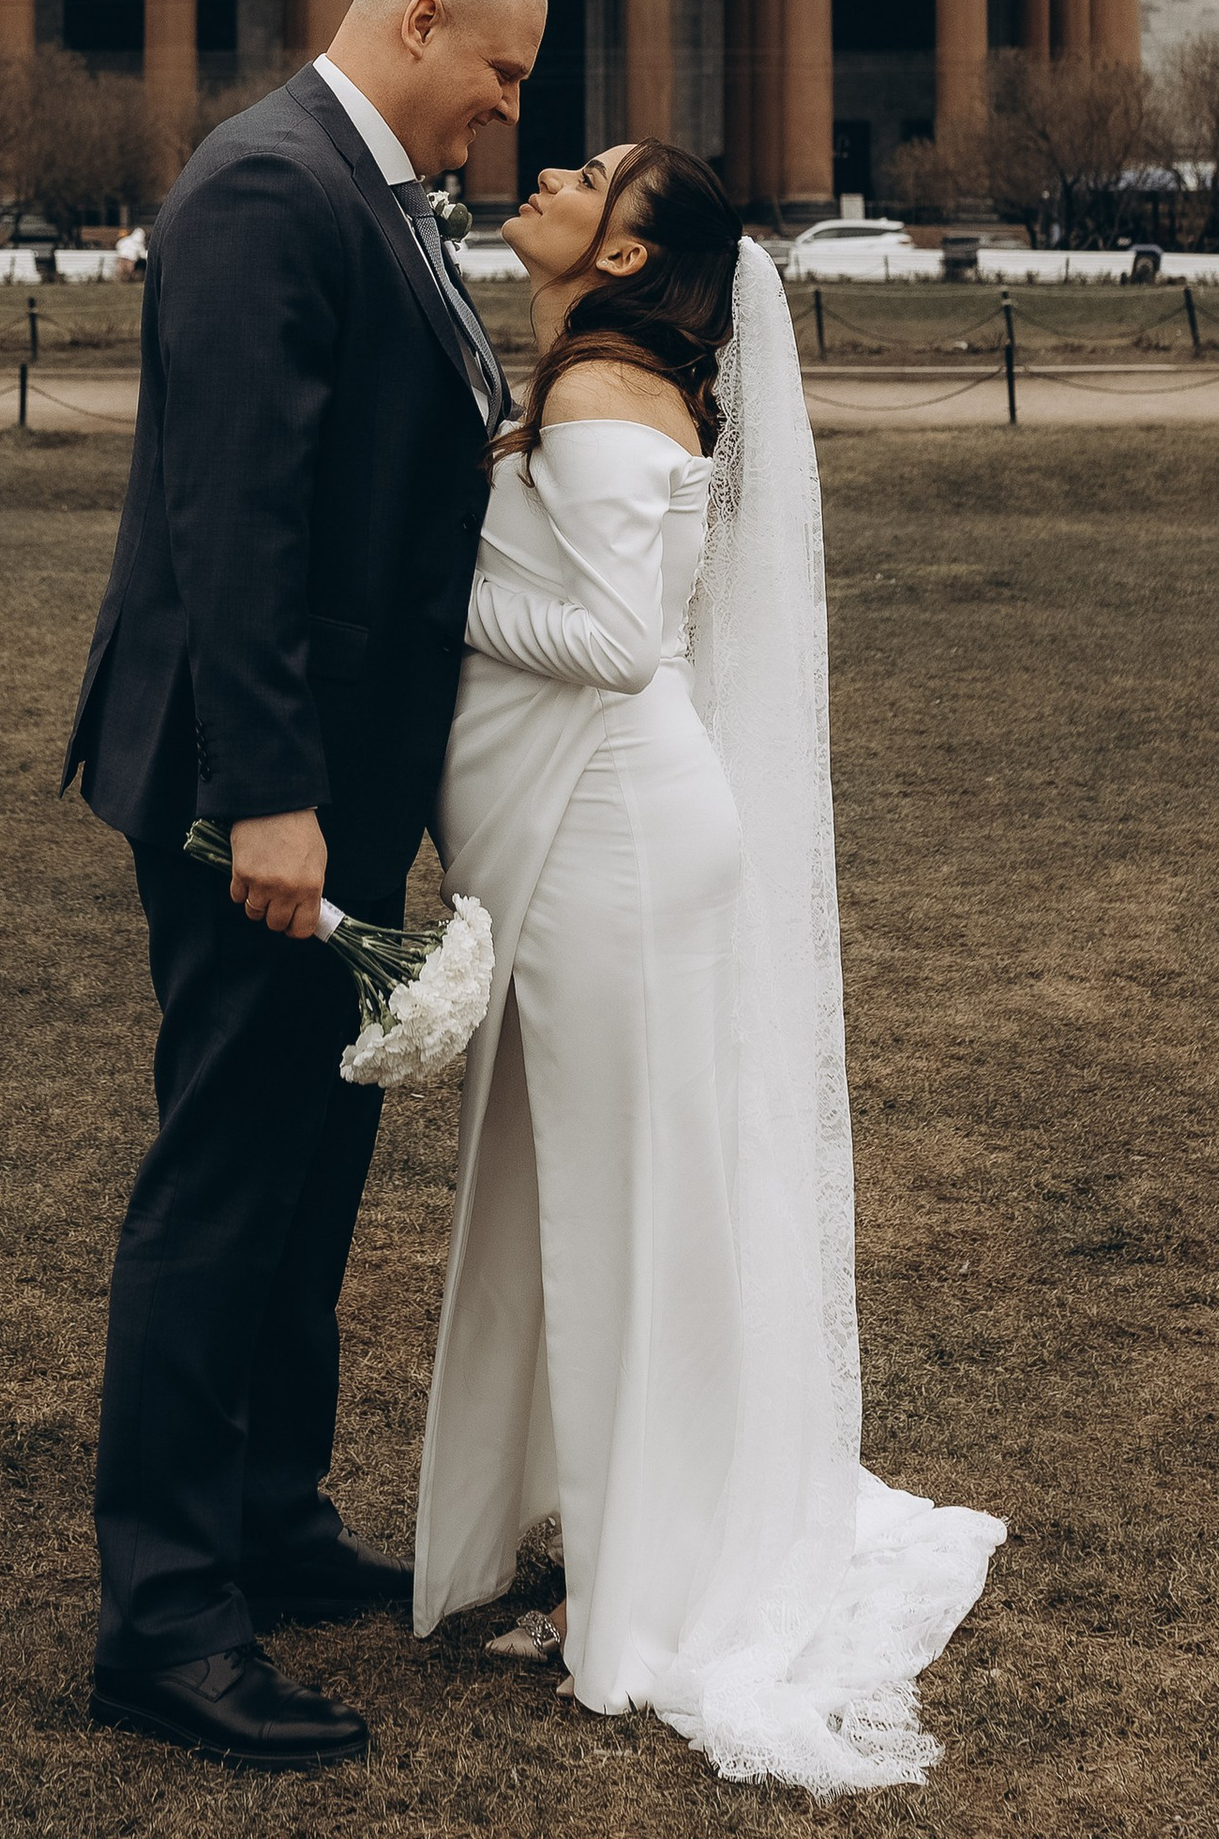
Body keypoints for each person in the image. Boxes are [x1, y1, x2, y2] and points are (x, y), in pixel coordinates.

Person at [415, 144, 1004, 1789]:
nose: (549, 166)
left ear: (631, 248)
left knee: (622, 1211)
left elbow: (610, 641)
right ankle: (632, 1532)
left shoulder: (605, 394)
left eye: (587, 171)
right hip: (605, 832)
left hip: (616, 835)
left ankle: (653, 1583)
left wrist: (434, 591)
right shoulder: (598, 376)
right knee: (609, 1195)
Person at [66, 0, 548, 1773]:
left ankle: (266, 1520)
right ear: (419, 18)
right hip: (247, 791)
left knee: (310, 1172)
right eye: (496, 77)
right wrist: (270, 798)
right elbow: (237, 522)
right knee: (226, 1184)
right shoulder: (269, 188)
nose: (500, 120)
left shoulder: (359, 193)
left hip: (332, 787)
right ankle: (167, 1622)